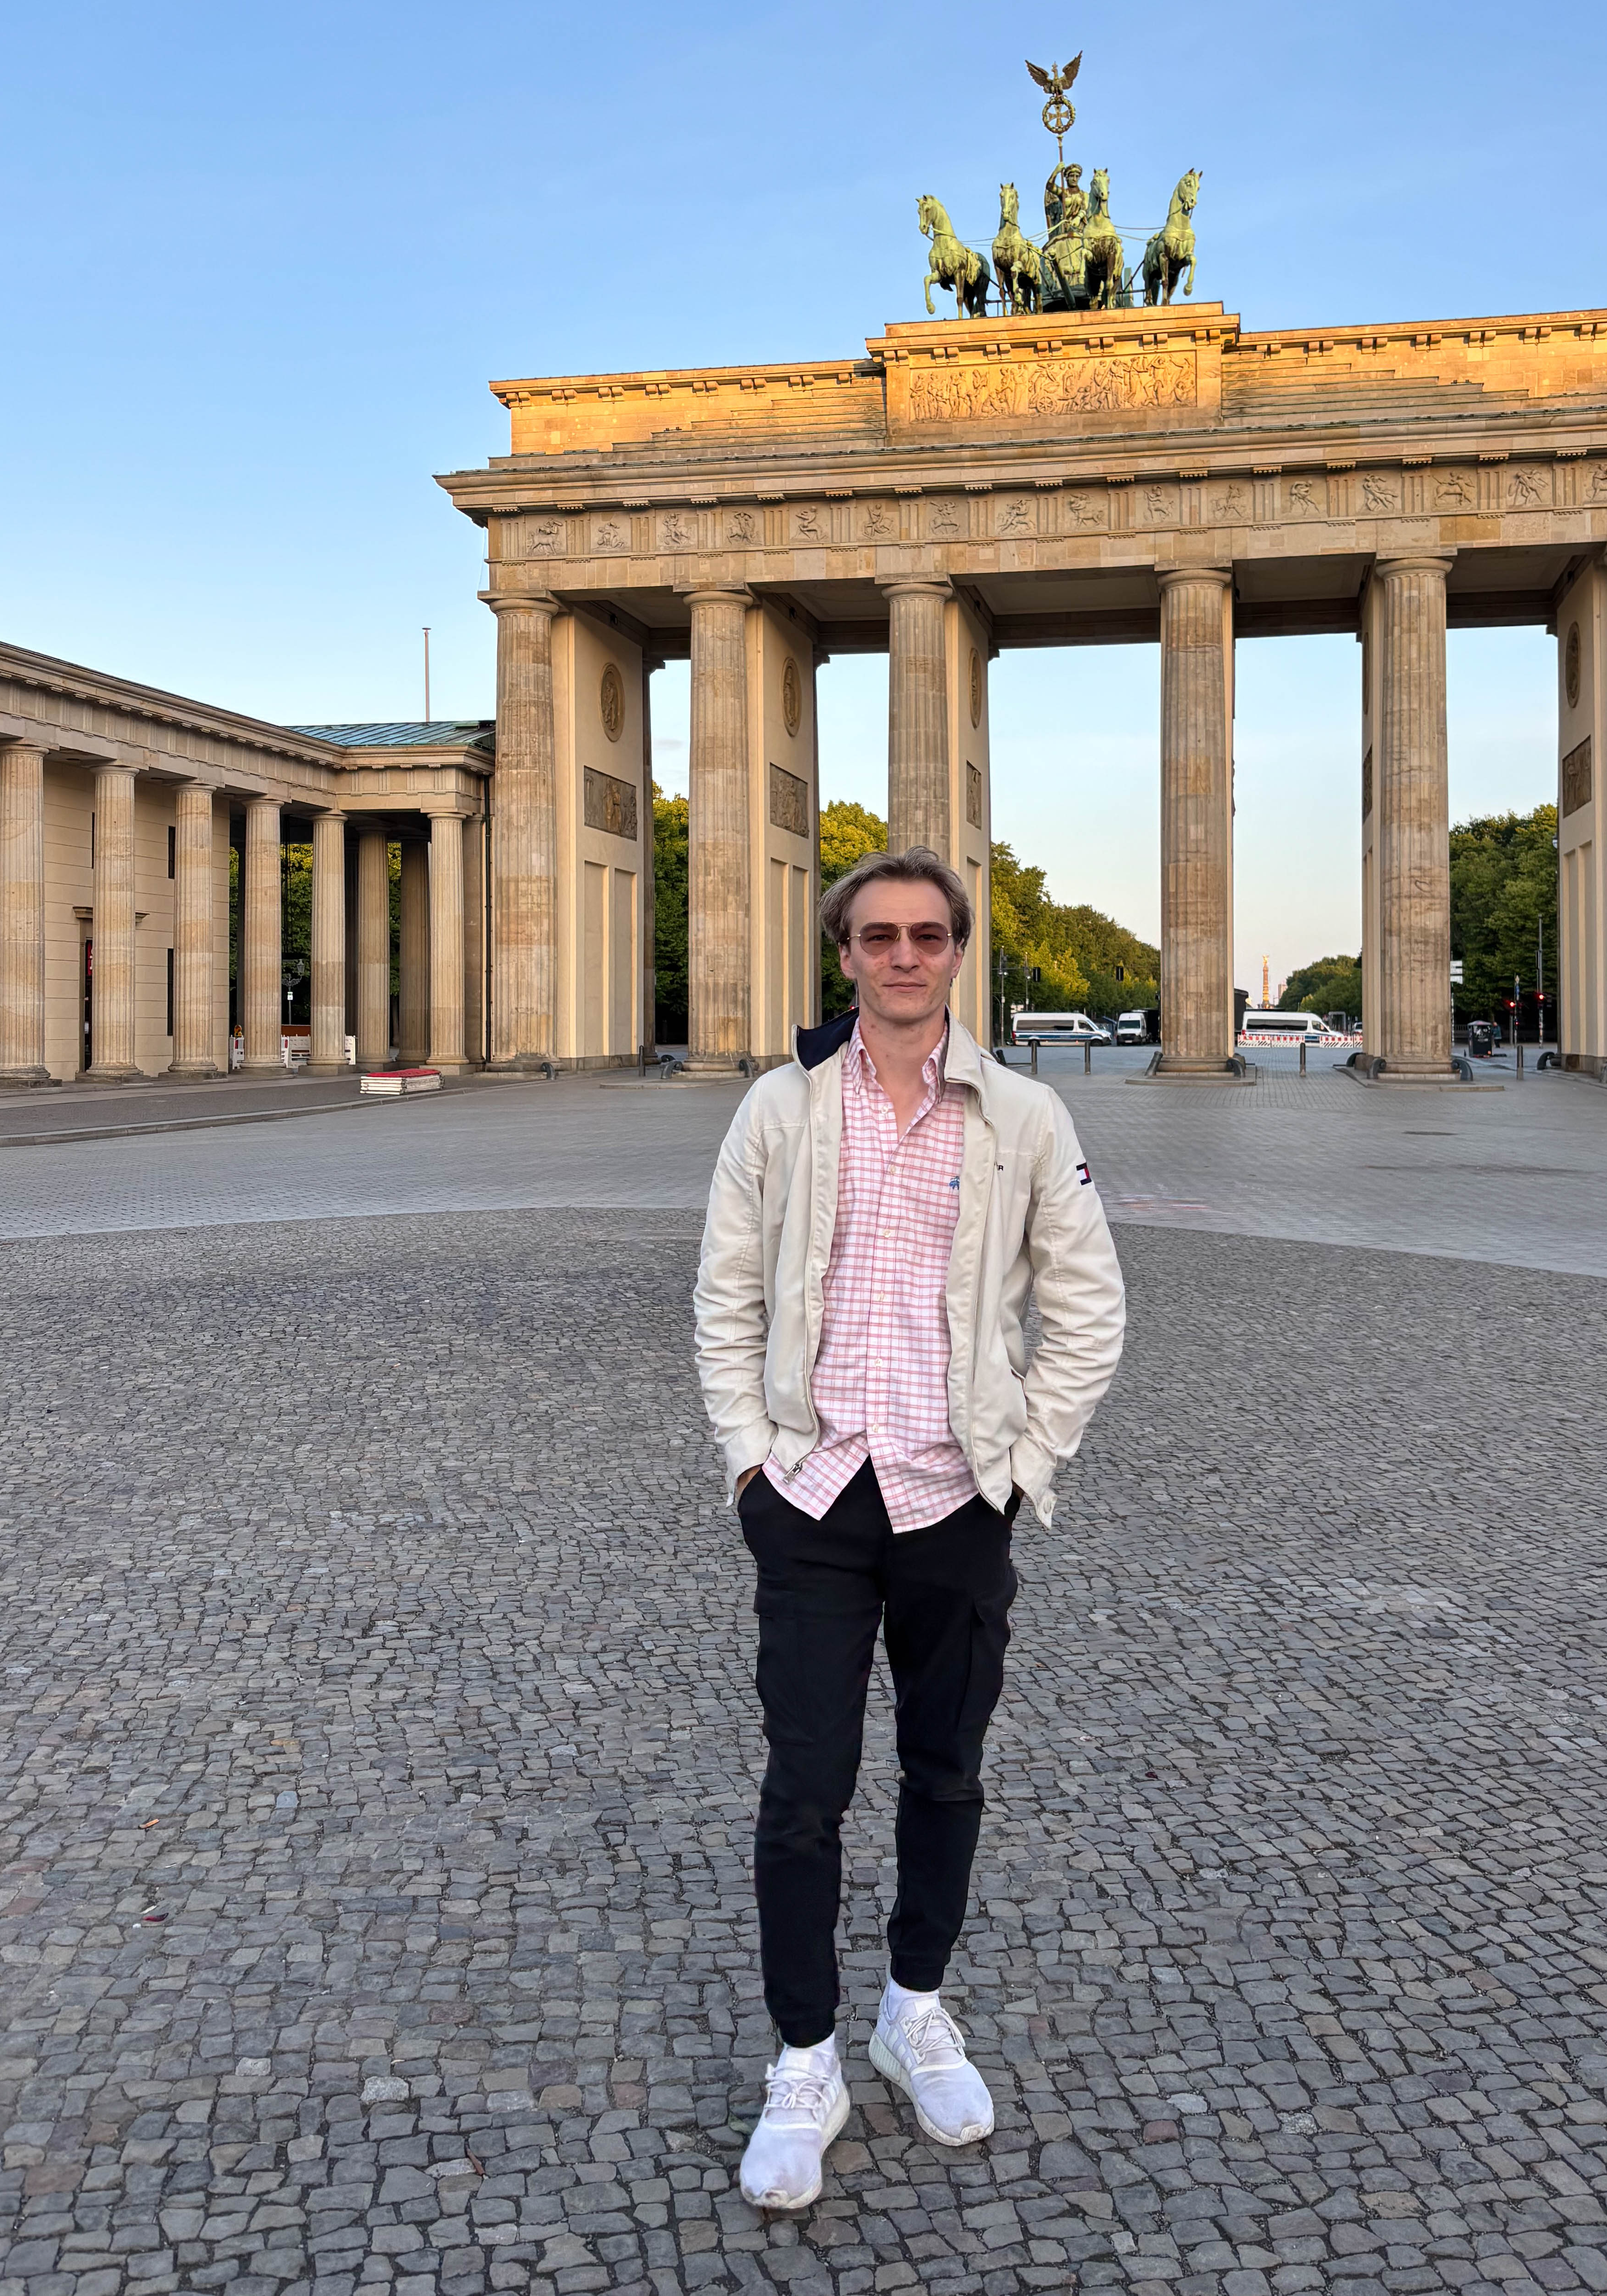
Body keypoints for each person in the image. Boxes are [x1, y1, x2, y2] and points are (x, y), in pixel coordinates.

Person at [694, 845, 1126, 2212]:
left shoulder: (1024, 1118)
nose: (902, 955)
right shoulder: (780, 1108)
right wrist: (751, 1465)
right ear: (844, 954)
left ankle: (913, 2005)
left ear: (956, 954)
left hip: (955, 1499)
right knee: (803, 1788)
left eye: (927, 935)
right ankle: (806, 2054)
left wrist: (1024, 1464)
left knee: (946, 1772)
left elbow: (1091, 1305)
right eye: (877, 934)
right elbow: (723, 1298)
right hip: (814, 1499)